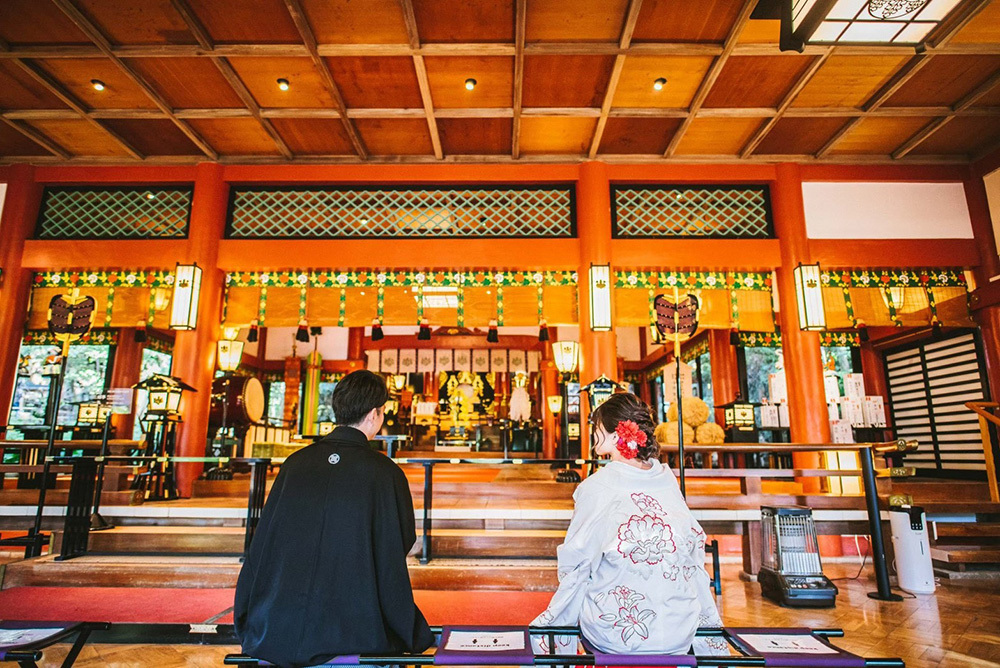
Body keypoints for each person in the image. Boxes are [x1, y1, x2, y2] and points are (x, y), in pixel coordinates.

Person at [235, 370, 434, 668]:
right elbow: (402, 540)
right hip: (355, 619)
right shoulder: (385, 472)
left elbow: (267, 537)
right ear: (374, 414)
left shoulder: (295, 464)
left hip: (281, 617)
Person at [531, 393, 726, 656]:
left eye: (597, 429)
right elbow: (691, 547)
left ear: (615, 436)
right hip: (679, 627)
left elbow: (577, 561)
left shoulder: (597, 487)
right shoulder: (666, 478)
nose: (593, 436)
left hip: (618, 634)